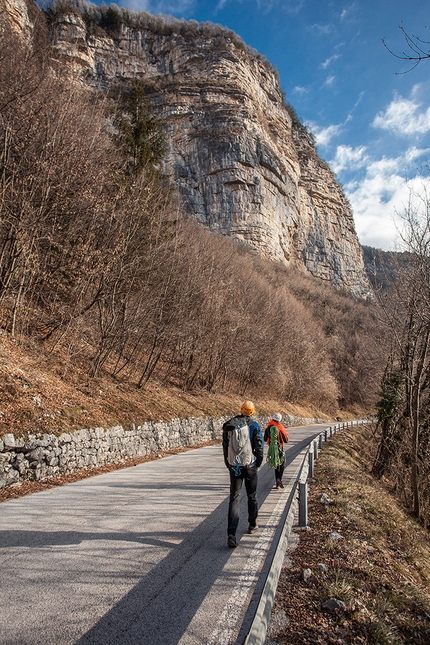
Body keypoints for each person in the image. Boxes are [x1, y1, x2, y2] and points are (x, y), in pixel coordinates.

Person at [222, 400, 263, 548]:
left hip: (235, 466)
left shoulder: (230, 425)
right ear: (252, 412)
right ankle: (252, 524)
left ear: (241, 409)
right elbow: (259, 446)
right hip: (250, 465)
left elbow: (225, 446)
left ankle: (231, 534)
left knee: (234, 497)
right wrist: (258, 463)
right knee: (252, 496)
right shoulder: (254, 426)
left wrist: (229, 464)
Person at [264, 413, 289, 489]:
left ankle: (277, 482)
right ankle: (279, 479)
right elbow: (286, 440)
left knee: (275, 464)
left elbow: (265, 439)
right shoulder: (280, 428)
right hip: (280, 447)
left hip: (272, 448)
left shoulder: (268, 428)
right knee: (282, 463)